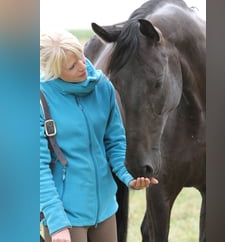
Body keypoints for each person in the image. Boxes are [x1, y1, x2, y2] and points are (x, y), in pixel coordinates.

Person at [40, 29, 159, 242]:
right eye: (71, 65)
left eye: (80, 56)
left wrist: (128, 177)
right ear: (54, 71)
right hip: (66, 217)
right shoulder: (39, 101)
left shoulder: (103, 87)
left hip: (105, 210)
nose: (82, 66)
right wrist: (57, 224)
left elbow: (114, 141)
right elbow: (38, 171)